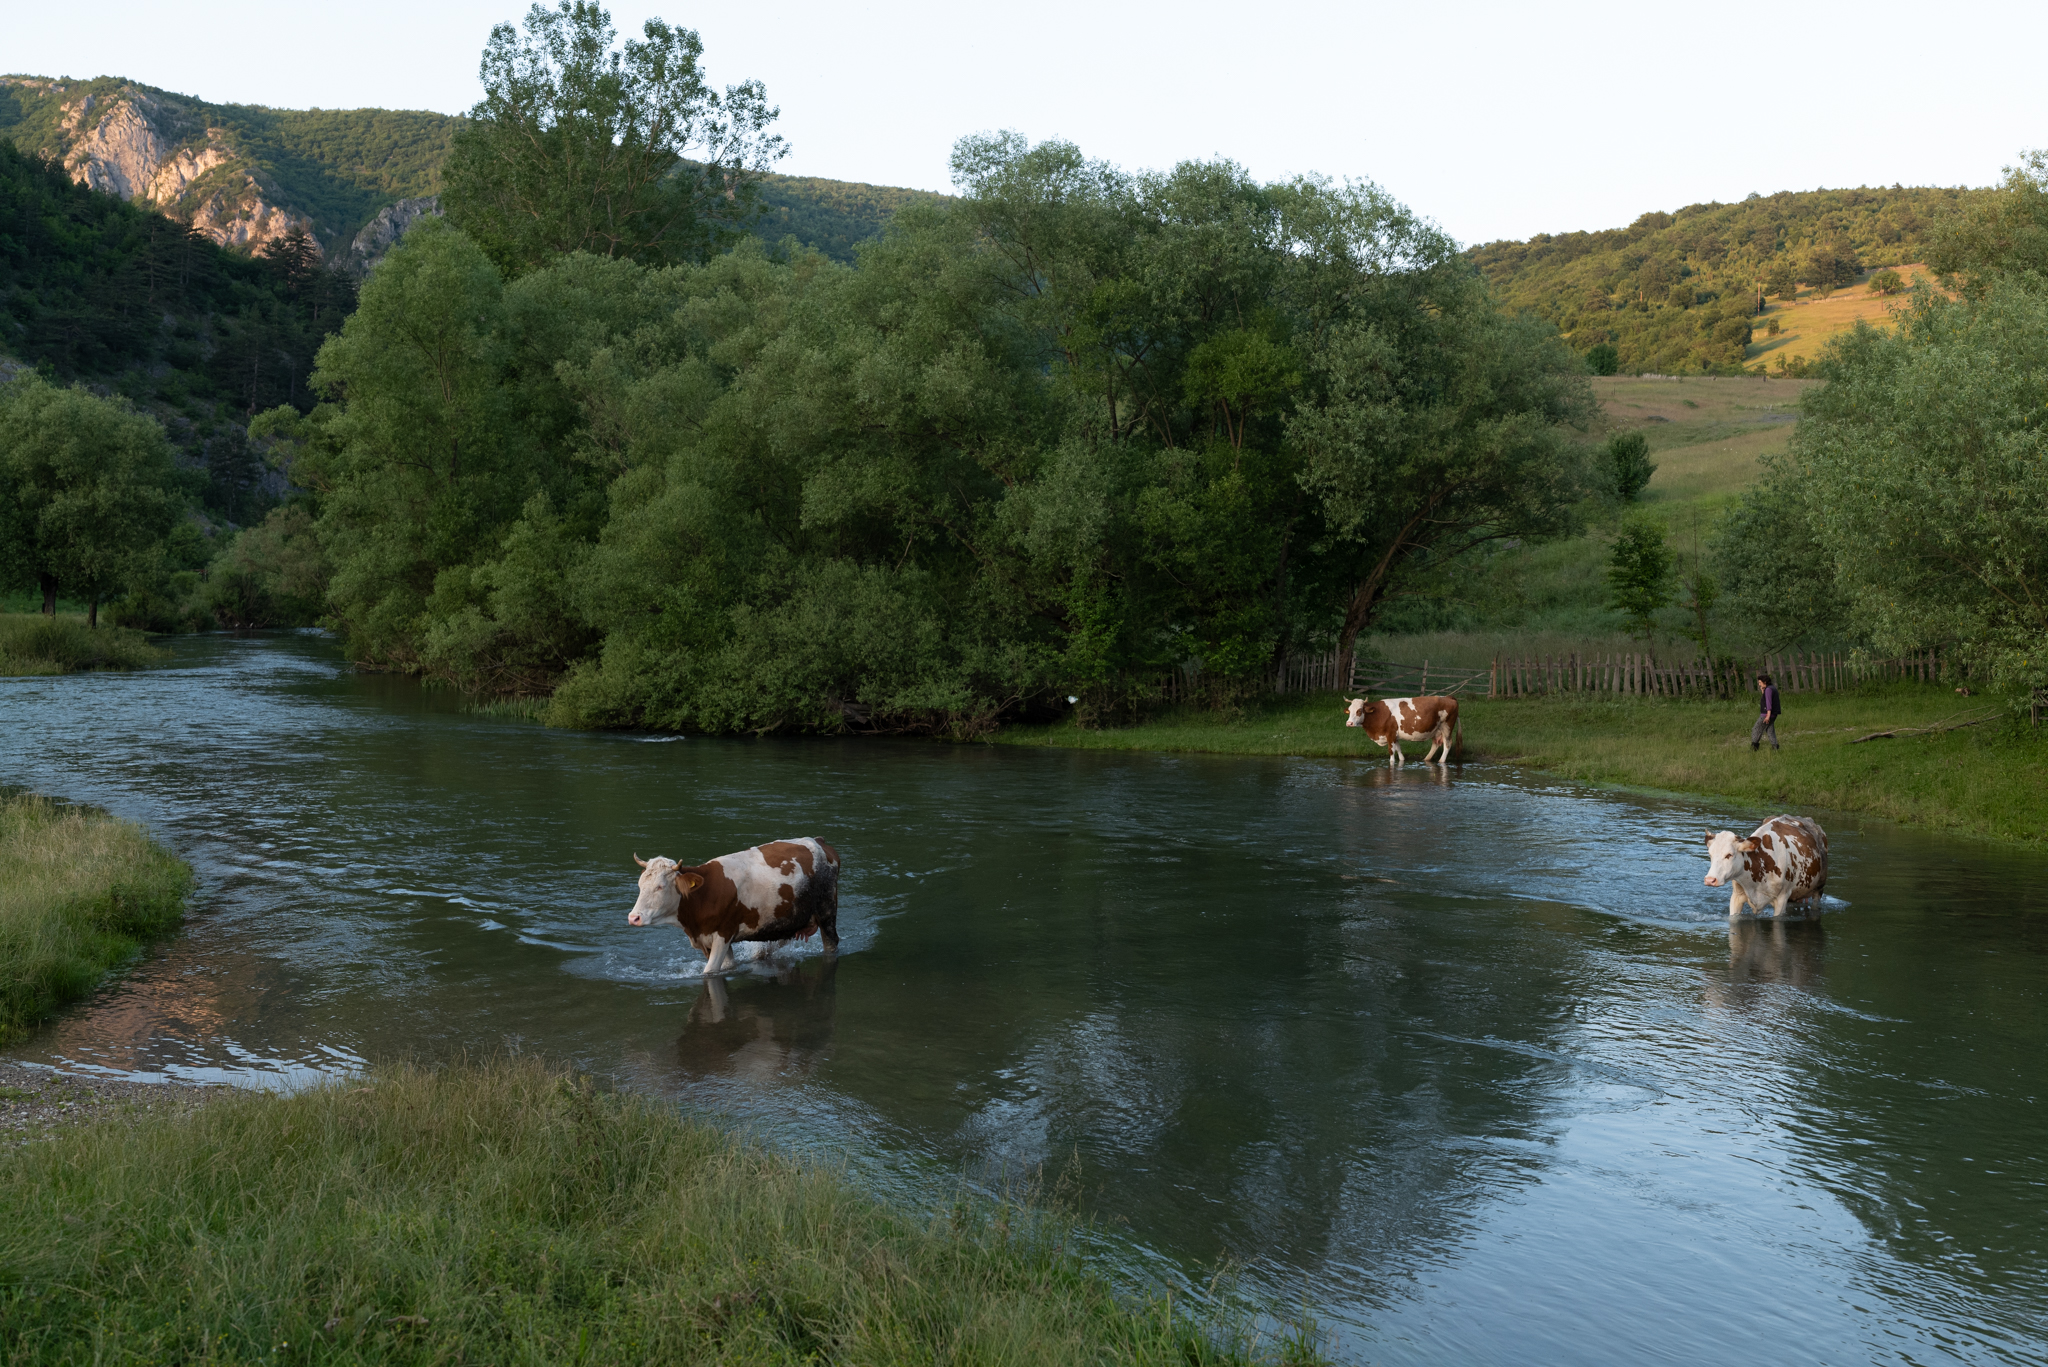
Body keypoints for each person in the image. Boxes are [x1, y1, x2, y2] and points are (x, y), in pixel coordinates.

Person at [1752, 673, 1780, 751]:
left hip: (1767, 714)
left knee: (1756, 729)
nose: (1759, 684)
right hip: (1774, 714)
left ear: (1765, 682)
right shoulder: (1772, 688)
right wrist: (1762, 691)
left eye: (1760, 682)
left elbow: (1768, 703)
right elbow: (1766, 699)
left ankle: (1754, 747)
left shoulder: (1768, 690)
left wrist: (1768, 716)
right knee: (1770, 730)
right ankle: (1775, 747)